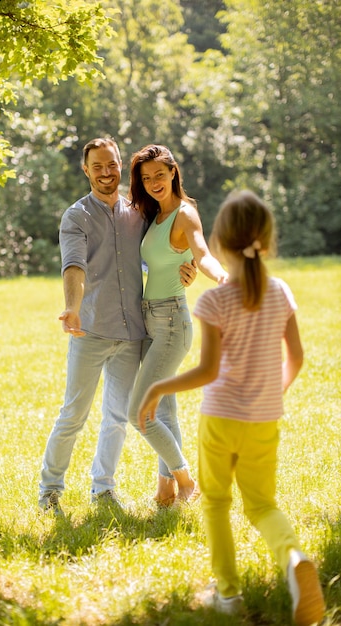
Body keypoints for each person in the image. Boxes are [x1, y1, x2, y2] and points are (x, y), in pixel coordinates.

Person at [138, 190, 325, 625]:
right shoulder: (280, 292)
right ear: (266, 238)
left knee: (218, 504)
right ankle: (294, 559)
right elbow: (295, 357)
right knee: (261, 505)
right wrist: (272, 392)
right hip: (264, 420)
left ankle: (227, 594)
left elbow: (206, 371)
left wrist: (157, 388)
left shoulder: (214, 301)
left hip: (221, 420)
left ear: (219, 240)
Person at [38, 137, 196, 514]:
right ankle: (50, 489)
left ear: (119, 165)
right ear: (86, 170)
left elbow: (160, 250)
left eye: (111, 165)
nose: (106, 172)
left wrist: (185, 269)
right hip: (90, 329)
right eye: (97, 166)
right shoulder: (76, 216)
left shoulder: (137, 212)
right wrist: (72, 308)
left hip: (132, 333)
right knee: (73, 414)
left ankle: (103, 489)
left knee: (117, 418)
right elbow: (73, 266)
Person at [127, 144, 228, 507]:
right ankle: (165, 490)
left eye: (159, 174)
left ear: (173, 172)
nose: (154, 182)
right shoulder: (153, 215)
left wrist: (221, 278)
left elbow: (201, 253)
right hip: (151, 319)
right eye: (146, 177)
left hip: (171, 321)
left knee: (139, 412)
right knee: (163, 412)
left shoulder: (185, 214)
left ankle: (186, 481)